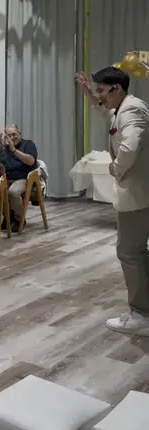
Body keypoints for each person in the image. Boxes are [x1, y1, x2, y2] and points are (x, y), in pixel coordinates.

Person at [76, 66, 149, 336]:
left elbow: (130, 147)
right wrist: (88, 92)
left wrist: (115, 168)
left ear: (116, 88)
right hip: (142, 192)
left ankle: (142, 315)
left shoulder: (131, 111)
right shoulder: (125, 107)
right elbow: (103, 110)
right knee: (137, 251)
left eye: (102, 90)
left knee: (129, 252)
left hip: (139, 194)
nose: (99, 96)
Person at [0, 125, 38, 232]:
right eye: (9, 136)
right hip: (7, 178)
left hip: (24, 178)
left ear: (19, 133)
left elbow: (30, 161)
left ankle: (19, 218)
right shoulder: (5, 148)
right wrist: (1, 149)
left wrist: (14, 150)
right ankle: (8, 215)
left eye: (14, 134)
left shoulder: (28, 144)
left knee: (13, 192)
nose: (12, 137)